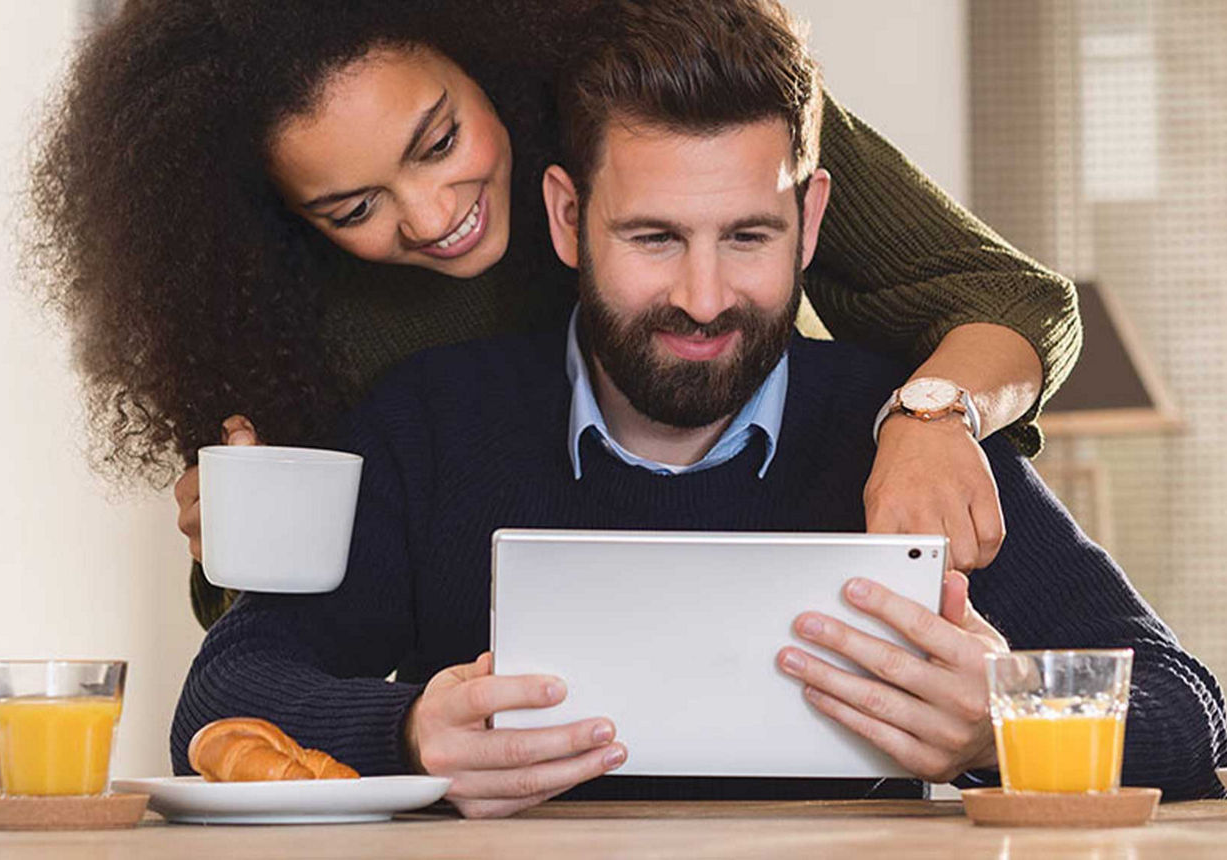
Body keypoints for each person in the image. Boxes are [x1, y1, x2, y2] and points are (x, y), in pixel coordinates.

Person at [170, 0, 1225, 818]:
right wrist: (407, 728)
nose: (706, 298)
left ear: (812, 221)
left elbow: (1190, 705)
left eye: (749, 237)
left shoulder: (893, 423)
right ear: (568, 218)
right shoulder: (430, 420)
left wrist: (1002, 716)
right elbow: (222, 698)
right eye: (656, 238)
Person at [28, 0, 1080, 631]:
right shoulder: (265, 307)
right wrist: (238, 544)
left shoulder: (680, 113)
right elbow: (273, 644)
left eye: (439, 141)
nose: (434, 216)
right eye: (353, 207)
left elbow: (1010, 299)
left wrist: (933, 417)